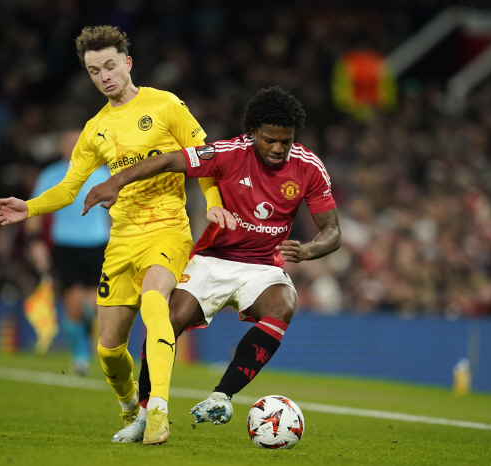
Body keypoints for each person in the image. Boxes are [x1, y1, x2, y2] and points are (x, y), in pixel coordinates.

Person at [0, 25, 234, 445]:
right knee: (108, 349)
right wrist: (29, 207)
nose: (103, 76)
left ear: (127, 62)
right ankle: (130, 409)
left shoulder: (165, 104)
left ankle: (157, 411)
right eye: (93, 70)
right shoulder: (94, 129)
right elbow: (70, 188)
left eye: (109, 65)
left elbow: (203, 156)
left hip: (167, 228)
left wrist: (212, 200)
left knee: (156, 299)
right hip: (121, 240)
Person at [82, 86, 341, 444]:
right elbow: (168, 160)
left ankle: (222, 396)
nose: (279, 148)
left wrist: (311, 250)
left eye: (286, 140)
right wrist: (116, 180)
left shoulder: (308, 166)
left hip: (263, 264)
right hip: (212, 259)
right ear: (252, 134)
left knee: (283, 304)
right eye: (270, 140)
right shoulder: (226, 153)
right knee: (169, 318)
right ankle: (145, 413)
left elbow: (332, 231)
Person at [24, 129, 110, 375]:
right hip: (65, 246)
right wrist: (33, 241)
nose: (74, 147)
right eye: (70, 143)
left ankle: (86, 336)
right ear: (61, 148)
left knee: (94, 305)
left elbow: (114, 214)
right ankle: (80, 355)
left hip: (98, 246)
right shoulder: (50, 175)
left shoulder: (102, 174)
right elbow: (34, 209)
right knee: (73, 304)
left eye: (79, 143)